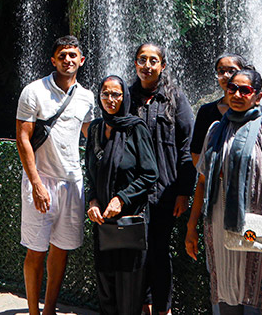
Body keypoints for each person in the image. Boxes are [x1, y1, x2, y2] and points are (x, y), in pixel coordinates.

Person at [185, 68, 262, 314]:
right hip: (219, 227)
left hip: (259, 231)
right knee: (227, 296)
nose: (237, 94)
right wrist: (191, 226)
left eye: (245, 90)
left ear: (257, 97)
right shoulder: (215, 131)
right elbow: (203, 182)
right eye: (232, 89)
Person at [16, 35, 97, 315]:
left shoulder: (87, 97)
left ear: (81, 61)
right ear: (53, 60)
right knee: (36, 250)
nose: (67, 60)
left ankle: (49, 309)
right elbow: (23, 138)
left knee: (61, 249)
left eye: (73, 55)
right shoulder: (34, 91)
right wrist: (36, 183)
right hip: (42, 180)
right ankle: (33, 312)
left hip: (72, 181)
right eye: (62, 55)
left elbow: (91, 135)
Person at [129, 43, 194, 315]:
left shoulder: (175, 98)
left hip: (165, 191)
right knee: (136, 252)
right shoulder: (126, 97)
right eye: (142, 60)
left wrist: (183, 192)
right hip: (131, 191)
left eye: (153, 60)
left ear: (162, 66)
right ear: (135, 64)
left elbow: (188, 146)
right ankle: (142, 306)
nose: (147, 65)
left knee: (159, 250)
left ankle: (163, 309)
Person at [85, 75, 159, 315]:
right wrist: (93, 200)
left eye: (116, 94)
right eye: (105, 94)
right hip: (103, 221)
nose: (110, 99)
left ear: (124, 97)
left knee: (129, 288)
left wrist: (122, 198)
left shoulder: (135, 128)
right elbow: (89, 172)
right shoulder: (96, 128)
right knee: (106, 286)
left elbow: (150, 174)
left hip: (130, 221)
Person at [190, 53, 262, 165]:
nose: (226, 75)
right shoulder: (206, 111)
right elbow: (196, 151)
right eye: (221, 71)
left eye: (232, 71)